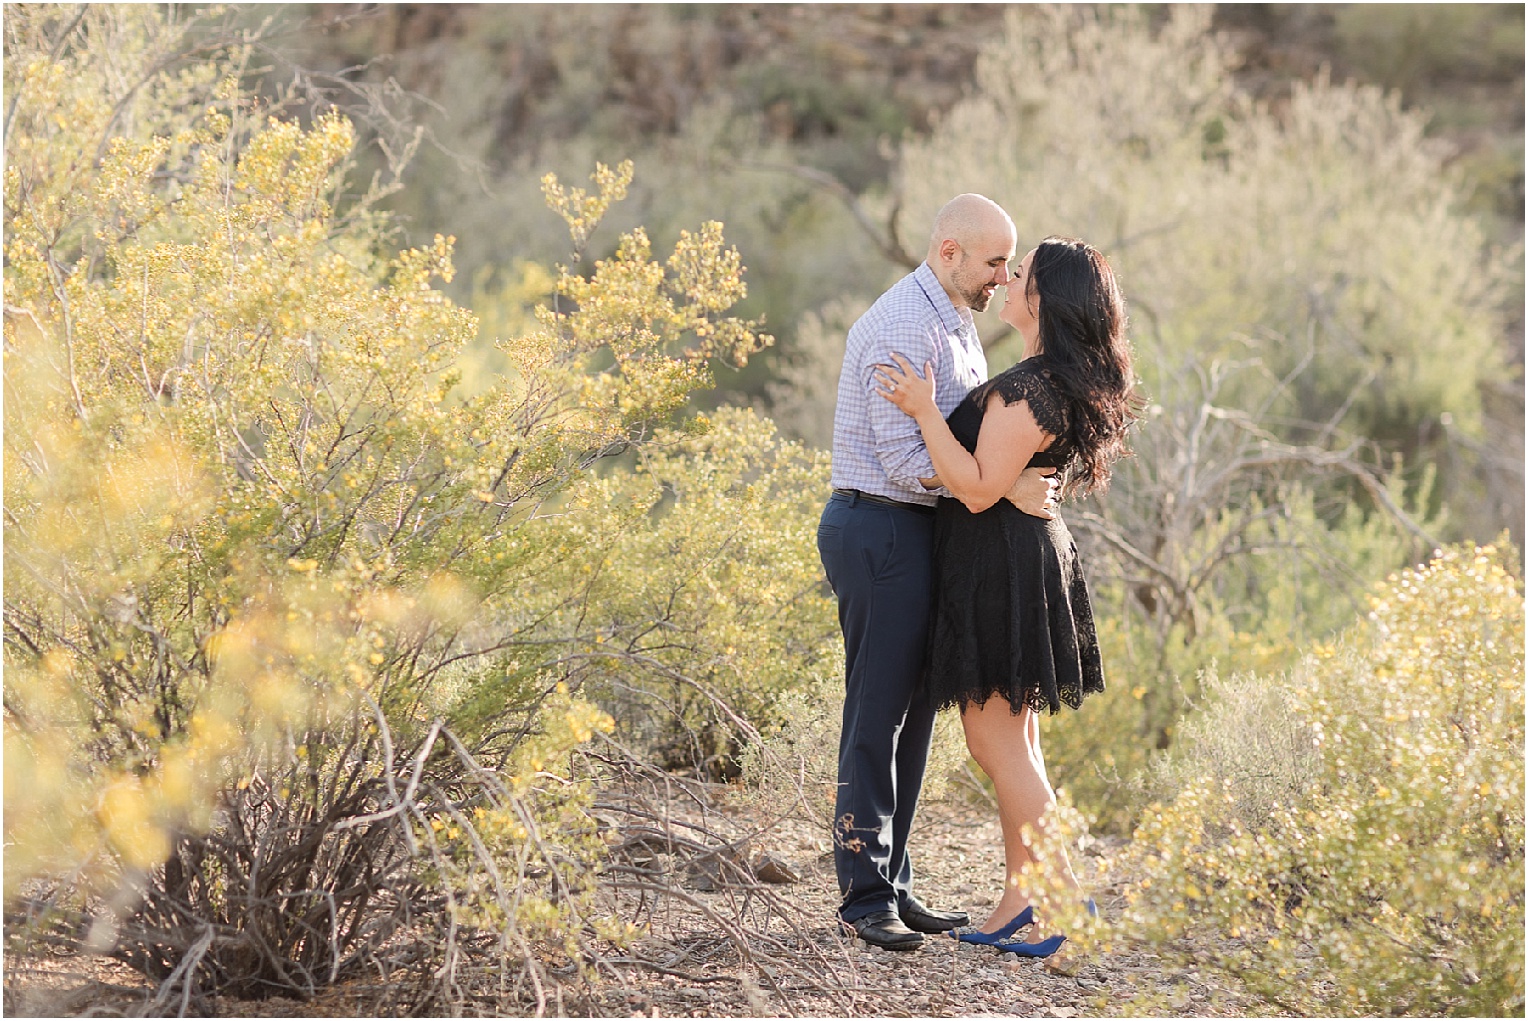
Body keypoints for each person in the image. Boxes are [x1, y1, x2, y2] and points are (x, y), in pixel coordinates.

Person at [875, 236, 1141, 957]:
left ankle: (1062, 896)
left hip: (1004, 565)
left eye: (1017, 273)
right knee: (1015, 740)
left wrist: (924, 410)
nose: (1006, 277)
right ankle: (1019, 901)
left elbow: (978, 486)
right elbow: (1003, 480)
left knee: (995, 739)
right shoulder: (1048, 379)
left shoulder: (1032, 387)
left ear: (1042, 299)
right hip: (1017, 557)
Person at [817, 194, 1058, 952]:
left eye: (1007, 264)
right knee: (878, 710)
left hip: (921, 531)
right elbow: (904, 462)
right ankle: (862, 896)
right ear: (949, 250)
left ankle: (895, 881)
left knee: (916, 713)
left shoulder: (953, 317)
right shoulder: (899, 327)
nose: (1002, 276)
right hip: (879, 524)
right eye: (994, 261)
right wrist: (1003, 482)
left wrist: (994, 474)